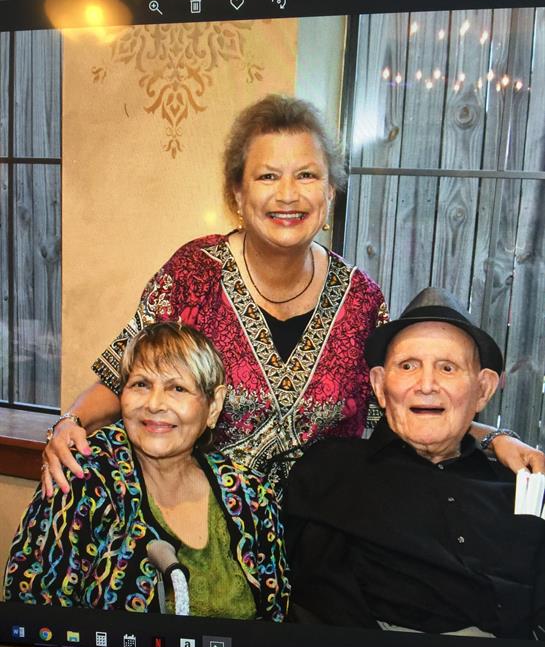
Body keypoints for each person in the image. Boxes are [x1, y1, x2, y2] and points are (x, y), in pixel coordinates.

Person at [41, 94, 543, 499]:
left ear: (329, 193)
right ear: (238, 195)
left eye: (306, 175)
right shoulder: (193, 274)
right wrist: (69, 422)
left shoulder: (362, 300)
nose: (287, 194)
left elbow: (408, 408)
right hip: (202, 532)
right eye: (267, 176)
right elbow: (124, 380)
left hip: (325, 540)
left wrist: (495, 439)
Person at [283, 288, 545, 638]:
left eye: (447, 368)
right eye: (408, 366)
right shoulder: (331, 470)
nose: (426, 385)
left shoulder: (519, 486)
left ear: (483, 390)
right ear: (379, 385)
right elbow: (318, 600)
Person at [4, 323, 289, 621]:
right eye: (140, 384)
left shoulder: (252, 496)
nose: (154, 404)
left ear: (214, 406)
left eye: (177, 388)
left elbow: (275, 622)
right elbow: (32, 617)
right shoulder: (82, 479)